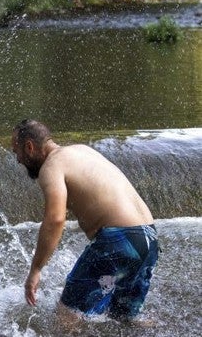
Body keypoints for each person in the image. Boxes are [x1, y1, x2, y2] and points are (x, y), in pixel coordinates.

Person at [11, 119, 159, 325]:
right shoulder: (81, 150)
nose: (17, 159)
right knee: (124, 318)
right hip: (149, 238)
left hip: (118, 240)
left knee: (68, 316)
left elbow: (55, 219)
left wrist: (35, 270)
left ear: (29, 147)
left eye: (16, 151)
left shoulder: (51, 167)